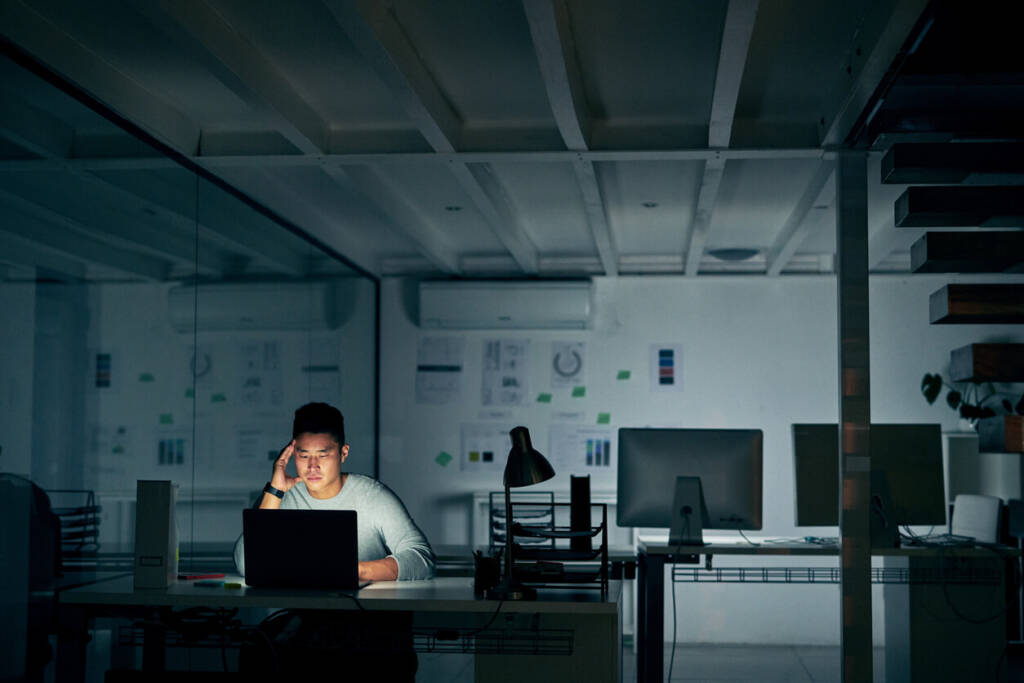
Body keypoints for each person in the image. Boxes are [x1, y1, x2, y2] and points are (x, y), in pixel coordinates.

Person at [234, 401, 435, 581]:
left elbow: (421, 558)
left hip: (366, 611)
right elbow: (247, 565)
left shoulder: (372, 496)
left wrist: (354, 571)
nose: (313, 466)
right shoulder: (278, 495)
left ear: (343, 453)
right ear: (292, 454)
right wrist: (275, 490)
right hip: (305, 610)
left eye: (323, 455)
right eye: (304, 456)